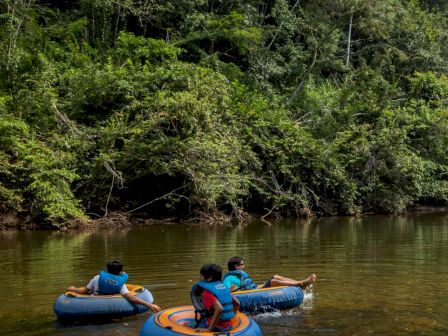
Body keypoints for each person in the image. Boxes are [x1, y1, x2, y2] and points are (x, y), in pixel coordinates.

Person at [67, 260, 161, 313]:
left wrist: (73, 289)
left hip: (93, 301)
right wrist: (150, 305)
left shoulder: (97, 278)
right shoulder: (120, 283)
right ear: (120, 272)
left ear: (107, 270)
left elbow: (84, 291)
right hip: (111, 305)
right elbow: (132, 298)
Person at [190, 263, 240, 332]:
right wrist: (230, 316)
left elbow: (219, 308)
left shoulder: (207, 293)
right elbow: (237, 303)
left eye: (202, 275)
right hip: (229, 326)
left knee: (188, 325)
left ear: (209, 278)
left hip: (218, 328)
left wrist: (209, 329)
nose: (200, 277)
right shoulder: (224, 288)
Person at [223, 256, 316, 292]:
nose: (244, 266)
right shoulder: (229, 278)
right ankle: (300, 284)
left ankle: (301, 283)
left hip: (254, 289)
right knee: (273, 281)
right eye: (242, 264)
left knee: (275, 276)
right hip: (253, 293)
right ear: (236, 266)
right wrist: (230, 290)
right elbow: (224, 291)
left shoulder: (239, 275)